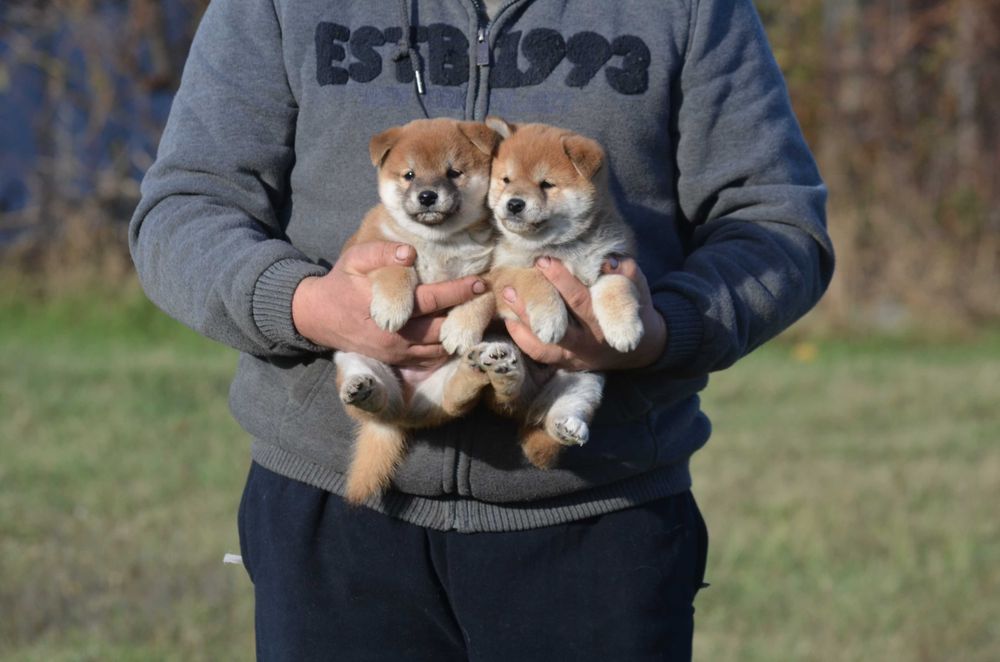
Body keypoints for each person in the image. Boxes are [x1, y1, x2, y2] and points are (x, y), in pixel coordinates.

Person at [129, 0, 834, 659]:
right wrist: (303, 305)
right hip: (332, 507)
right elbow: (184, 208)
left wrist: (663, 331)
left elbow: (777, 226)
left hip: (601, 510)